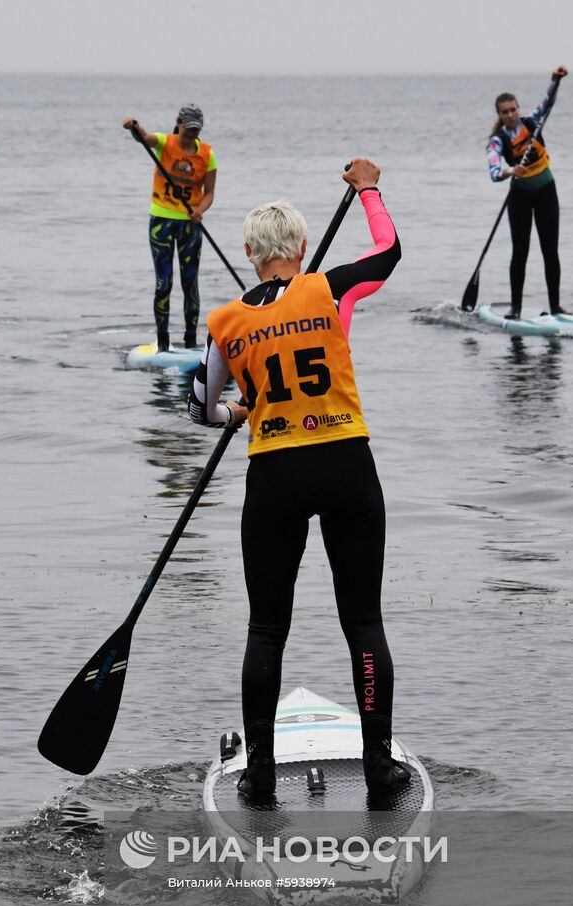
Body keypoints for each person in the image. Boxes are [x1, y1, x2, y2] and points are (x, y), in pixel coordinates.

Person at [188, 159, 407, 799]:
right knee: (363, 622)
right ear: (304, 250)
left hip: (275, 474)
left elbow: (203, 406)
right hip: (346, 464)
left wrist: (239, 408)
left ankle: (258, 778)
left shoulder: (227, 322)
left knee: (266, 627)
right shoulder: (329, 287)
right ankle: (378, 770)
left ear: (252, 254)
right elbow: (390, 251)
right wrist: (368, 188)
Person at [122, 104, 217, 351]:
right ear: (179, 124)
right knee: (164, 282)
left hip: (190, 224)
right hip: (161, 222)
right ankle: (163, 342)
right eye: (187, 130)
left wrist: (200, 210)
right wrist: (135, 125)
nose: (191, 135)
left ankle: (190, 340)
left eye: (196, 131)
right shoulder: (165, 143)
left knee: (190, 282)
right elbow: (143, 138)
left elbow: (209, 193)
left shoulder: (207, 154)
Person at [487, 66, 569, 319]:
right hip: (519, 197)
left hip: (546, 191)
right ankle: (516, 308)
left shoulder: (532, 123)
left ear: (518, 109)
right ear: (500, 115)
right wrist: (512, 171)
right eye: (505, 112)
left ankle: (556, 306)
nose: (510, 115)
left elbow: (548, 102)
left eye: (513, 110)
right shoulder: (497, 140)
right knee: (520, 252)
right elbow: (493, 173)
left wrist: (555, 80)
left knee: (550, 250)